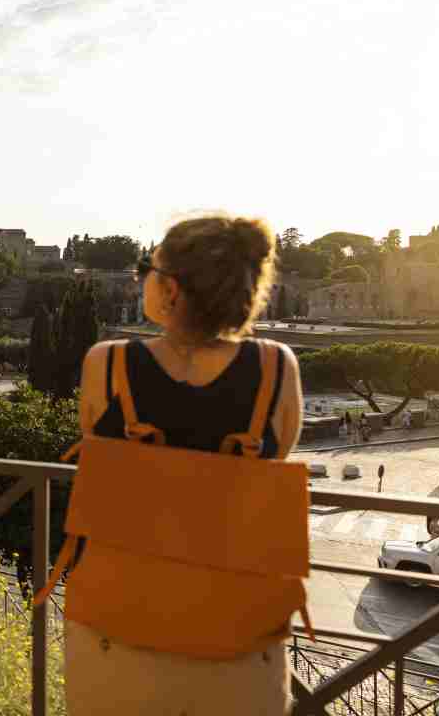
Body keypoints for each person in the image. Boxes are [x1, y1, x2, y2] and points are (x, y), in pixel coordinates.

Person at [68, 215, 303, 715]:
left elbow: (98, 449)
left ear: (170, 289)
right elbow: (275, 456)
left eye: (145, 270)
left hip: (118, 633)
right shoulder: (277, 367)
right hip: (241, 646)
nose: (141, 280)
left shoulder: (105, 364)